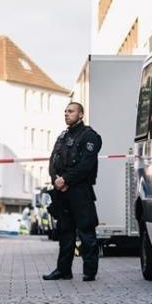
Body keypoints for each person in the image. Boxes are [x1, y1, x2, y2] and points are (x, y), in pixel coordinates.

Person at [43, 102, 102, 282]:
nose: (67, 114)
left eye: (71, 111)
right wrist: (56, 180)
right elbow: (53, 161)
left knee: (86, 231)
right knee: (65, 232)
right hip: (62, 192)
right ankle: (63, 270)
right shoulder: (62, 136)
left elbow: (86, 164)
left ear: (81, 114)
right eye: (65, 111)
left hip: (80, 191)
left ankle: (89, 272)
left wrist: (66, 179)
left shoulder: (90, 136)